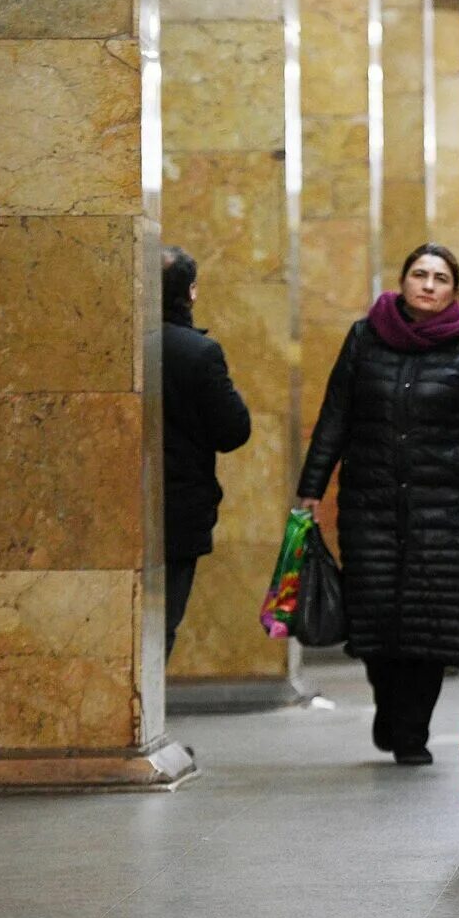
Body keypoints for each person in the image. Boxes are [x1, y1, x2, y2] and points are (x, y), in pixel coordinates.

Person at [296, 243, 459, 765]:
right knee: (375, 616)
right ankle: (389, 708)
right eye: (419, 274)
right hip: (370, 503)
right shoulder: (364, 338)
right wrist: (311, 488)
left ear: (454, 290)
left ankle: (412, 731)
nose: (428, 284)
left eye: (439, 278)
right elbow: (335, 416)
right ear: (402, 282)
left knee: (432, 623)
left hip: (446, 509)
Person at [160, 246, 252, 660]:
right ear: (191, 292)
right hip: (178, 511)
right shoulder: (197, 354)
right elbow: (233, 430)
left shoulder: (111, 347)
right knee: (161, 623)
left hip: (110, 512)